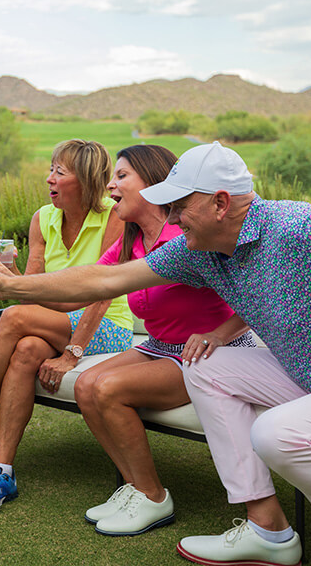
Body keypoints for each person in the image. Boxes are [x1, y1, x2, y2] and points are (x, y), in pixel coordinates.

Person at [0, 141, 311, 566]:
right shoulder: (201, 248)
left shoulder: (299, 227)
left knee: (276, 432)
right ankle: (268, 530)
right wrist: (8, 285)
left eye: (178, 206)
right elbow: (104, 280)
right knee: (207, 366)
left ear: (219, 202)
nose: (170, 219)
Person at [0, 139, 132, 518]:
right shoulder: (42, 218)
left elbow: (100, 296)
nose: (49, 178)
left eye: (59, 172)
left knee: (14, 320)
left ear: (87, 179)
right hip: (56, 319)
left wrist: (71, 354)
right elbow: (32, 290)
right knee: (27, 348)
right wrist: (1, 277)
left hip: (108, 323)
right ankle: (2, 472)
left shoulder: (115, 217)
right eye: (50, 168)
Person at [72, 144, 253, 537]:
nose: (110, 184)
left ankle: (154, 497)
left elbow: (252, 292)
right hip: (158, 347)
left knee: (108, 388)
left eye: (121, 176)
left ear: (153, 182)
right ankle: (134, 487)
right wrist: (10, 283)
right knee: (85, 386)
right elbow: (86, 286)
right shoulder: (130, 243)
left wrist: (219, 334)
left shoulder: (188, 235)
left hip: (205, 351)